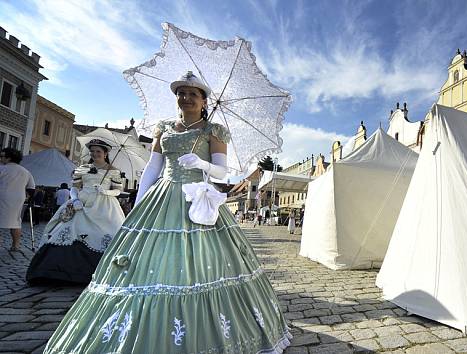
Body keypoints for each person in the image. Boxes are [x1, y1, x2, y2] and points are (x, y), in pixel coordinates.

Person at [44, 72, 291, 353]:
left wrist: (203, 163)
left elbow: (222, 172)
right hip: (163, 196)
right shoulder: (164, 129)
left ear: (203, 101)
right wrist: (138, 204)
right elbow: (152, 168)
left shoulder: (214, 131)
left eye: (192, 94)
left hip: (196, 199)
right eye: (181, 93)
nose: (185, 98)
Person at [26, 139, 125, 284]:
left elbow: (118, 191)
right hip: (82, 203)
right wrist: (75, 199)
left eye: (98, 151)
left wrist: (105, 192)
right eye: (92, 151)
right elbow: (75, 187)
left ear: (105, 153)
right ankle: (56, 271)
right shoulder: (83, 168)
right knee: (68, 230)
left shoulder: (113, 170)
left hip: (104, 205)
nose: (95, 154)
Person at [0, 148, 35, 251]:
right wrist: (29, 198)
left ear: (9, 158)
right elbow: (31, 188)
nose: (1, 158)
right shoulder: (26, 172)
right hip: (18, 199)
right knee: (15, 222)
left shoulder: (2, 169)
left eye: (2, 156)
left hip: (2, 196)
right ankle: (15, 245)